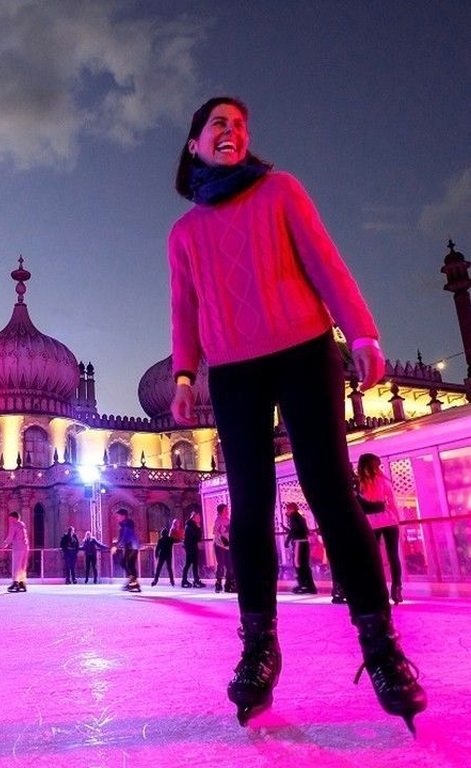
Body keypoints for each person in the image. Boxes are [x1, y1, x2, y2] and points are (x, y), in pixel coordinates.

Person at [168, 96, 425, 730]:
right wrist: (181, 374)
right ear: (194, 143)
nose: (232, 132)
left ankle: (382, 645)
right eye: (218, 125)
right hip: (233, 371)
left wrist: (361, 334)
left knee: (332, 493)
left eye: (240, 125)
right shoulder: (185, 233)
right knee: (250, 504)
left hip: (306, 352)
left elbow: (324, 261)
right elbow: (186, 306)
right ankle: (259, 646)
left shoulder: (280, 190)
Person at [357, 453, 404, 605]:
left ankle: (378, 590)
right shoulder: (383, 481)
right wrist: (399, 521)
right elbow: (392, 503)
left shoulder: (358, 483)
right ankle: (396, 590)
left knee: (373, 558)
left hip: (370, 523)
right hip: (389, 520)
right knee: (393, 556)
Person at [283, 503, 317, 594]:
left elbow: (295, 530)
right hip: (304, 542)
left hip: (299, 542)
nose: (286, 512)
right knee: (304, 564)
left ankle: (303, 585)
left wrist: (287, 540)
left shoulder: (293, 517)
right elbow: (301, 529)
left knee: (298, 564)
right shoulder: (300, 517)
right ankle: (310, 586)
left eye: (287, 509)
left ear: (291, 509)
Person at [1, 511, 30, 592]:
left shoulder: (14, 525)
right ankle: (22, 583)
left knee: (16, 565)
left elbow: (10, 537)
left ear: (15, 518)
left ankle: (15, 583)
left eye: (10, 518)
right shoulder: (22, 525)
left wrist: (4, 545)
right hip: (25, 548)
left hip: (18, 548)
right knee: (22, 566)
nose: (9, 520)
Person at [113, 510, 140, 592]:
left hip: (132, 546)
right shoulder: (124, 524)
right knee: (128, 564)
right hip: (131, 546)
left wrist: (117, 546)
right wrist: (117, 544)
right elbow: (122, 537)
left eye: (118, 516)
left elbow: (125, 536)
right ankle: (133, 583)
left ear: (123, 516)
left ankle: (133, 583)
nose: (117, 518)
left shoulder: (126, 524)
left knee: (127, 563)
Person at [213, 504, 235, 593]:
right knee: (221, 564)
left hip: (228, 546)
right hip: (219, 546)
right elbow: (215, 531)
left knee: (230, 566)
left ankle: (228, 584)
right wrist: (222, 539)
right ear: (221, 511)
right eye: (226, 509)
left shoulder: (228, 520)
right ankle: (218, 583)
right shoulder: (218, 520)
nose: (228, 510)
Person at [181, 511, 205, 588]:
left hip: (192, 546)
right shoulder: (190, 526)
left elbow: (198, 537)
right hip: (190, 547)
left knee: (194, 564)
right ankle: (185, 580)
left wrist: (198, 528)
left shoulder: (193, 525)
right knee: (189, 564)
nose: (200, 519)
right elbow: (196, 537)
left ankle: (195, 580)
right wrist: (198, 528)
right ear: (194, 517)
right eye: (198, 517)